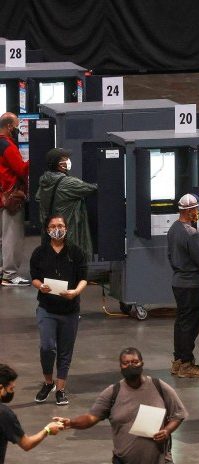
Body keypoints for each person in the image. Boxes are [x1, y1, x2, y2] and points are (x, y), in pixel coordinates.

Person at [53, 347, 188, 464]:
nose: (131, 366)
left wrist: (167, 430)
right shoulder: (113, 392)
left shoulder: (159, 386)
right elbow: (91, 418)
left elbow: (178, 414)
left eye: (135, 362)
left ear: (142, 363)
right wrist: (71, 423)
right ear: (120, 366)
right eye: (126, 363)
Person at [30, 213, 88, 406]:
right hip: (47, 308)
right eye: (53, 226)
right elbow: (34, 277)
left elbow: (83, 278)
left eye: (60, 226)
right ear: (47, 230)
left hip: (70, 310)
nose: (57, 229)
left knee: (65, 351)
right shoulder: (39, 253)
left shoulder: (76, 252)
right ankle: (48, 383)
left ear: (66, 228)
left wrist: (75, 292)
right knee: (47, 347)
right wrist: (40, 286)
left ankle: (61, 389)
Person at [167, 193, 199, 378]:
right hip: (191, 285)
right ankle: (187, 364)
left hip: (178, 282)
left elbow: (170, 255)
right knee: (190, 325)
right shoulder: (191, 233)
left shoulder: (173, 229)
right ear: (189, 210)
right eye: (197, 208)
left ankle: (178, 360)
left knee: (181, 323)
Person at [37, 147, 97, 261]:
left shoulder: (45, 180)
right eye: (65, 158)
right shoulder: (67, 183)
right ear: (59, 164)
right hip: (67, 228)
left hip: (51, 227)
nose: (68, 161)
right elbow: (91, 188)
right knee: (68, 258)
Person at [0, 364, 64, 464]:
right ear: (1, 388)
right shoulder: (4, 414)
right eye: (11, 389)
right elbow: (26, 444)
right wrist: (47, 430)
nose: (12, 392)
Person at [0, 112, 30, 286]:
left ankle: (3, 270)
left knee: (2, 237)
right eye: (17, 126)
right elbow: (21, 169)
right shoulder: (7, 145)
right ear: (10, 126)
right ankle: (10, 275)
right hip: (11, 199)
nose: (19, 129)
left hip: (1, 197)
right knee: (12, 237)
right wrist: (35, 160)